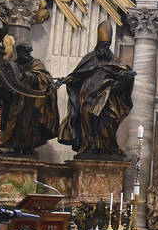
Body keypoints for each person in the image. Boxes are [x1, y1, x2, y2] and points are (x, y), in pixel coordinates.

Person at [57, 23, 136, 156]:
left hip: (105, 98)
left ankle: (107, 146)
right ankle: (88, 146)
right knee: (87, 121)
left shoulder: (114, 61)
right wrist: (66, 80)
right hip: (87, 96)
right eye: (102, 44)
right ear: (97, 43)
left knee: (106, 123)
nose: (103, 48)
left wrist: (126, 77)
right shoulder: (89, 59)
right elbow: (77, 75)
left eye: (106, 45)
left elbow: (123, 74)